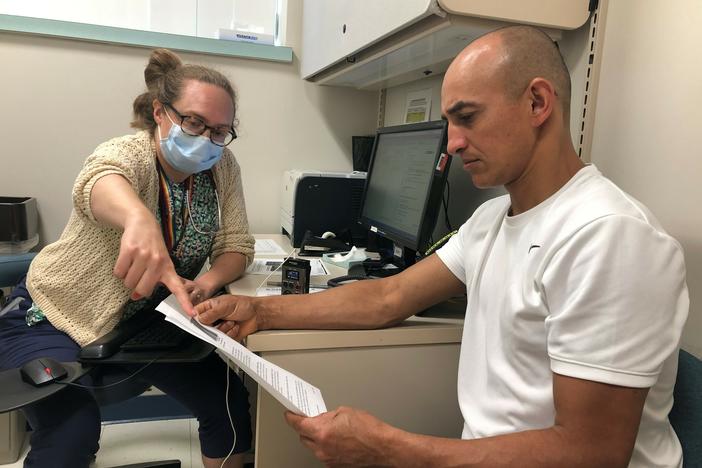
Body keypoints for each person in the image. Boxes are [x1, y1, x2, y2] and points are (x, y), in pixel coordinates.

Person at [194, 25, 689, 467]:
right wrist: (260, 312)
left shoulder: (609, 236)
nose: (451, 144)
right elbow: (387, 298)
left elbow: (591, 454)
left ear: (538, 103)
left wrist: (389, 450)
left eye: (467, 117)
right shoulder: (493, 218)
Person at [0, 49, 254, 468]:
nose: (207, 139)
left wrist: (206, 283)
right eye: (194, 122)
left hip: (141, 322)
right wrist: (138, 218)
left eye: (220, 130)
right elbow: (97, 179)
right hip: (52, 314)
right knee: (71, 433)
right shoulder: (132, 154)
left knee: (227, 401)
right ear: (160, 111)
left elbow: (236, 244)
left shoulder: (222, 167)